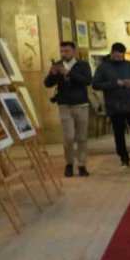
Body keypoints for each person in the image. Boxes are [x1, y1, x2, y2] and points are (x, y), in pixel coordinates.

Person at [92, 42, 130, 168]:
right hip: (114, 105)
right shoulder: (103, 67)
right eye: (117, 56)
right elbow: (95, 84)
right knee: (119, 134)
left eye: (121, 56)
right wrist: (114, 83)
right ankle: (124, 158)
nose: (119, 58)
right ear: (112, 53)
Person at [44, 41, 92, 177]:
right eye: (62, 51)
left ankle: (82, 165)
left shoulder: (82, 65)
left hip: (81, 104)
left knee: (82, 137)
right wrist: (52, 74)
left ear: (74, 51)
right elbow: (47, 84)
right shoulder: (57, 64)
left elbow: (87, 80)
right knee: (68, 137)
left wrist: (69, 73)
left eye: (67, 51)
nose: (64, 54)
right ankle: (69, 164)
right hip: (64, 105)